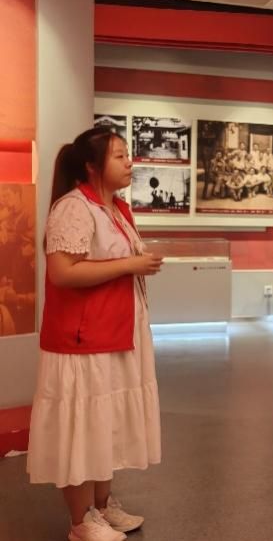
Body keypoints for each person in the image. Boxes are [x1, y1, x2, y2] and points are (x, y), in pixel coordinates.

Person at [27, 126, 164, 541]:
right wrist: (130, 265)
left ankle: (102, 507)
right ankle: (81, 520)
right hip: (82, 340)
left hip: (116, 334)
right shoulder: (73, 207)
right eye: (119, 156)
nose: (129, 163)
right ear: (91, 166)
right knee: (82, 426)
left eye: (127, 155)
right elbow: (63, 272)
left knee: (106, 423)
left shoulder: (116, 208)